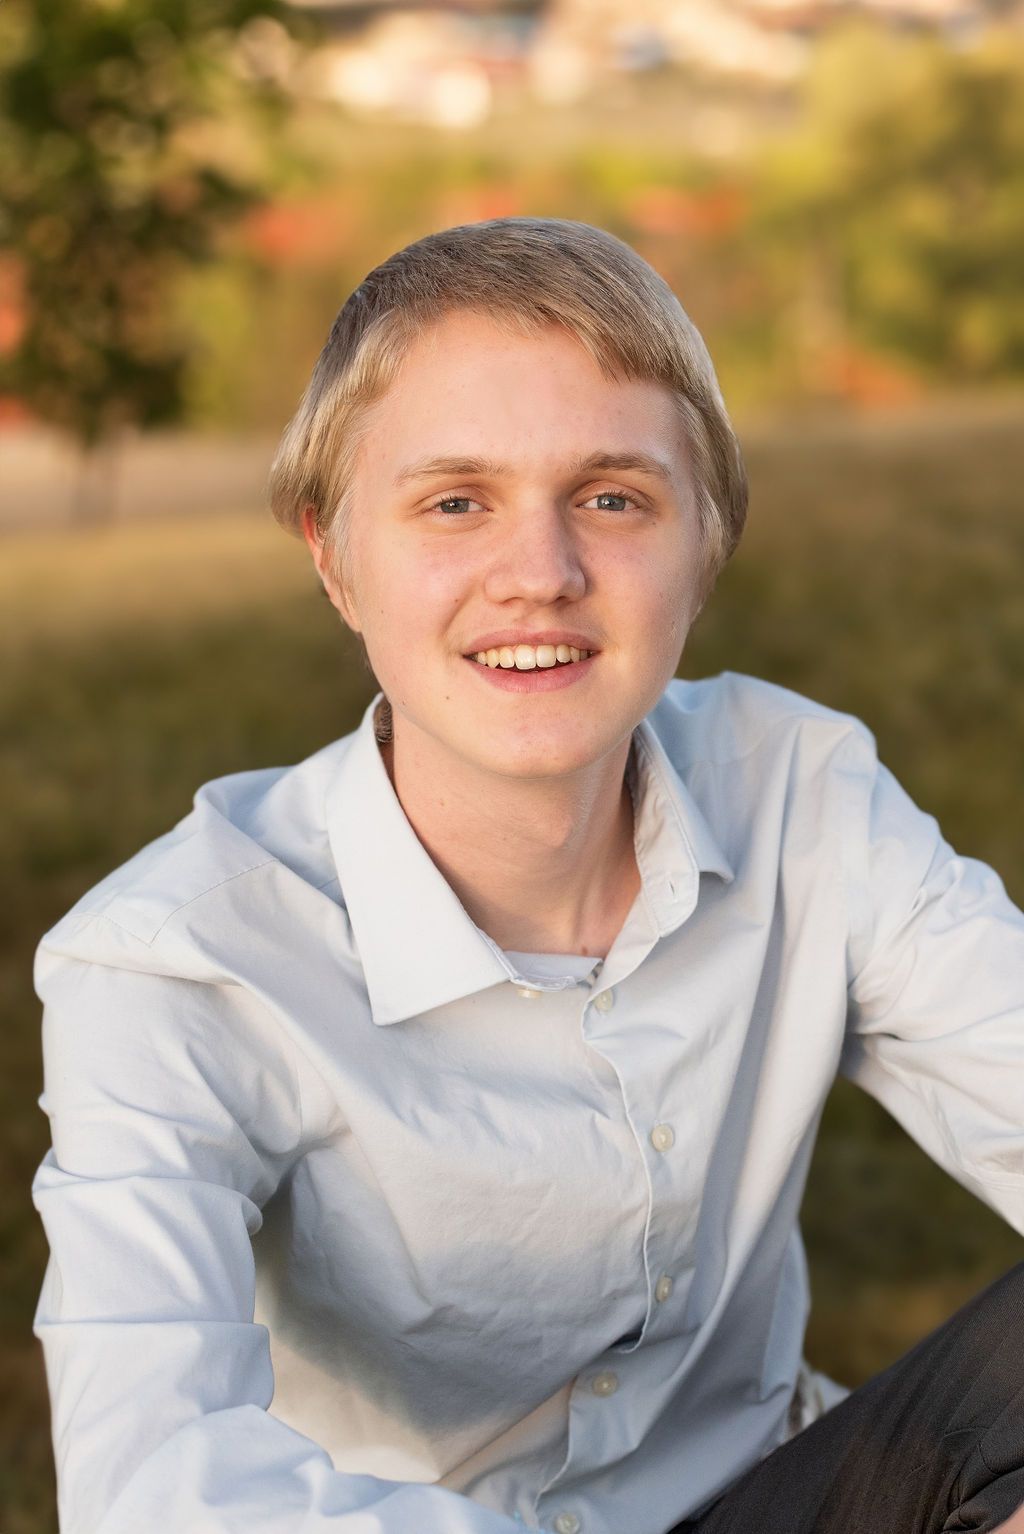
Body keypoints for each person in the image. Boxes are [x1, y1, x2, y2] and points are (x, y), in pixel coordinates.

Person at [30, 217, 1024, 1534]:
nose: (542, 575)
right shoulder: (177, 957)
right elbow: (153, 1482)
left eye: (612, 497)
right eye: (456, 502)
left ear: (705, 542)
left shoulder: (801, 791)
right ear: (333, 555)